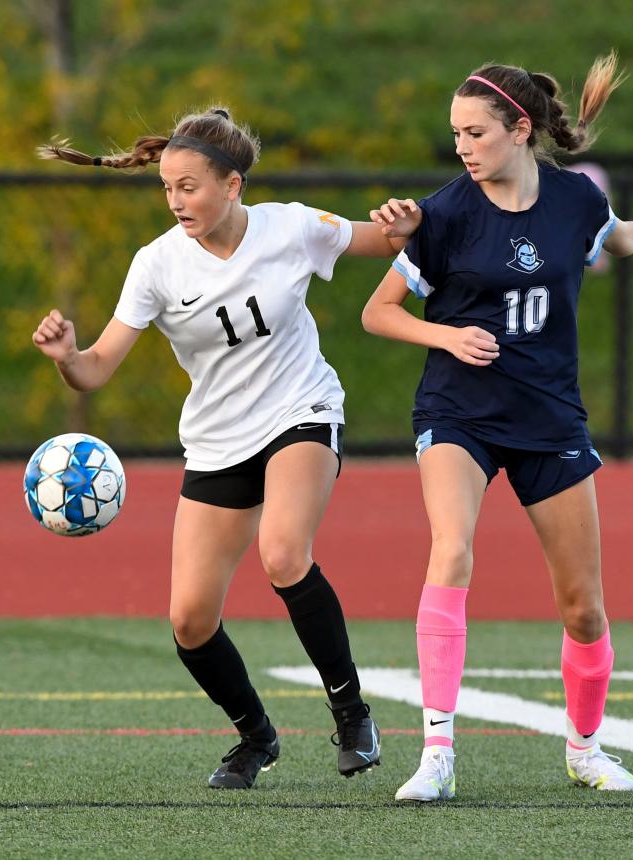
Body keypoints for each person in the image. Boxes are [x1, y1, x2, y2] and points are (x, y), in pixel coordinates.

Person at [32, 106, 416, 789]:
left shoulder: (290, 226)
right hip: (217, 441)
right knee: (188, 620)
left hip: (302, 412)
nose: (177, 201)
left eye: (191, 187)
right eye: (168, 188)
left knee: (283, 553)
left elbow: (381, 242)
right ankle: (255, 737)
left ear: (233, 185)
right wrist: (66, 355)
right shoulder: (156, 265)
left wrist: (403, 226)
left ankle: (351, 712)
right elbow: (94, 369)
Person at [362, 52, 633, 801]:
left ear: (519, 129)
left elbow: (619, 238)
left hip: (548, 416)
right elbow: (377, 311)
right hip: (459, 412)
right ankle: (438, 754)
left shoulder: (576, 200)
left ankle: (585, 749)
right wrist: (447, 336)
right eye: (455, 134)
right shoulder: (444, 213)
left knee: (584, 606)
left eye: (474, 133)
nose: (462, 147)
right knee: (452, 549)